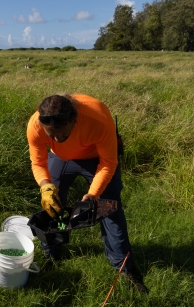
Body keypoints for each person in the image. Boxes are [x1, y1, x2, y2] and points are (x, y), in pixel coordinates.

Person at [26, 93, 148, 294]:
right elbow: (38, 162)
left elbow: (109, 163)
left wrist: (93, 195)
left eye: (62, 135)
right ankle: (52, 252)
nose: (56, 139)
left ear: (74, 121)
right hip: (61, 158)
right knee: (53, 205)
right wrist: (45, 186)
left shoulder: (97, 120)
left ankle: (123, 266)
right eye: (51, 136)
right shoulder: (37, 124)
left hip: (96, 158)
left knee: (110, 207)